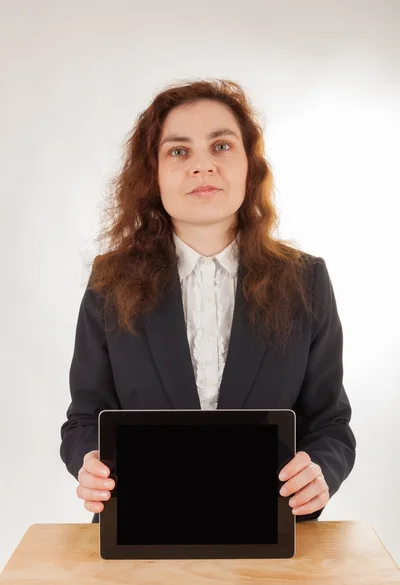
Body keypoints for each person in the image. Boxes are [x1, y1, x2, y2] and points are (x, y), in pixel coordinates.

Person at [60, 78, 356, 525]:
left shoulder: (304, 280)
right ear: (152, 174)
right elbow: (84, 418)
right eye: (179, 151)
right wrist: (89, 461)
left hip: (273, 532)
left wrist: (321, 472)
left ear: (249, 166)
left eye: (221, 146)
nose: (203, 167)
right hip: (142, 528)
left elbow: (330, 424)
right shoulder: (111, 281)